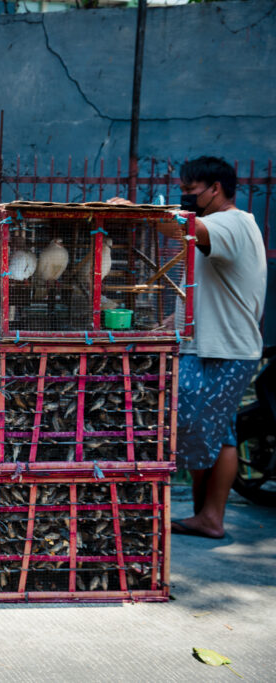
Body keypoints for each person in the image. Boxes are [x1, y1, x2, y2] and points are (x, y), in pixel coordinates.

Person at [169, 157, 267, 539]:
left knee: (189, 424)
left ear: (215, 188)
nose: (186, 198)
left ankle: (207, 515)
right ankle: (206, 516)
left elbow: (186, 227)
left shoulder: (231, 222)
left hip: (223, 349)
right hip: (210, 344)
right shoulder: (218, 226)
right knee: (221, 432)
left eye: (192, 191)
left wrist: (139, 213)